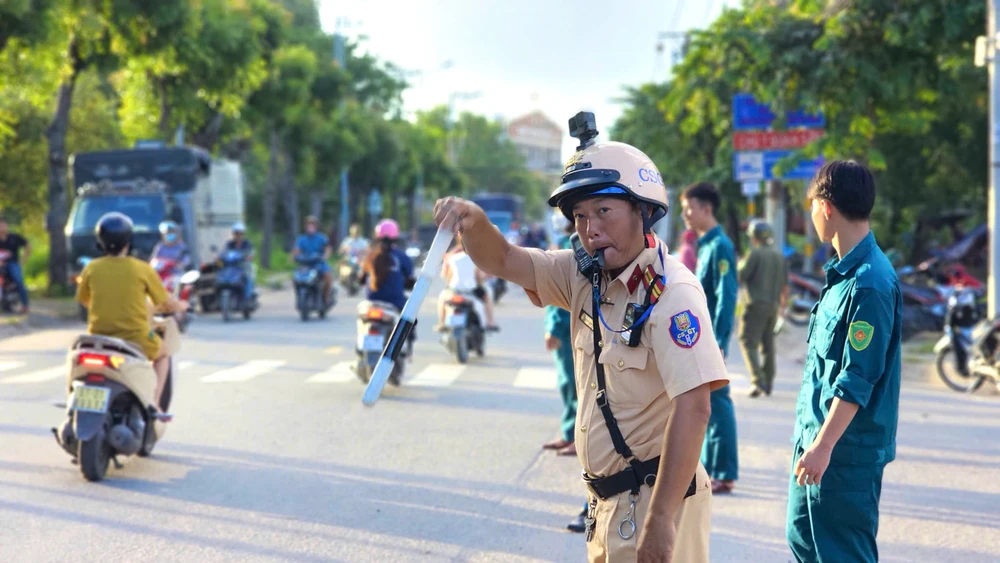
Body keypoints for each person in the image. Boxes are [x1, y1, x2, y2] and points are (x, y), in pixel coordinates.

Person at [432, 116, 727, 562]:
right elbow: (505, 259)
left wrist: (662, 521)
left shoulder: (672, 293)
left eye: (604, 212)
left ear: (642, 211)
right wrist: (472, 222)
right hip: (607, 506)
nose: (590, 229)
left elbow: (695, 405)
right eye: (581, 216)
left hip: (657, 501)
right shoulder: (582, 275)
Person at [787, 160, 902, 563]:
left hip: (842, 453)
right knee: (803, 543)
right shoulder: (842, 274)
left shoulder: (870, 281)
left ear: (826, 207)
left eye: (811, 206)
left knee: (842, 554)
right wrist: (810, 443)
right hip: (814, 443)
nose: (812, 215)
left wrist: (823, 446)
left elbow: (858, 376)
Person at [75, 212, 187, 410]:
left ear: (100, 241)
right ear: (128, 241)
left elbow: (84, 300)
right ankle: (154, 404)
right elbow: (164, 302)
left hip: (98, 338)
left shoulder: (91, 268)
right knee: (163, 355)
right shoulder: (141, 268)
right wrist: (181, 305)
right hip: (135, 338)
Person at [681, 181, 739, 495]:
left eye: (689, 209)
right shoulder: (706, 245)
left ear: (706, 209)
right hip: (702, 338)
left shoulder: (721, 247)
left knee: (717, 402)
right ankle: (714, 469)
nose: (685, 216)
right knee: (708, 402)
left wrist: (719, 340)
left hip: (711, 339)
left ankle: (725, 472)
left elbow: (726, 295)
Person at [541, 212, 589, 534]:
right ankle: (569, 432)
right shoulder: (567, 247)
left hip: (576, 332)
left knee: (575, 387)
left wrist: (557, 327)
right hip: (566, 328)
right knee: (566, 385)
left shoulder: (583, 253)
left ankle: (574, 435)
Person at [738, 220, 788, 398]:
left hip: (755, 304)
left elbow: (741, 276)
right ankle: (768, 380)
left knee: (747, 341)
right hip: (773, 305)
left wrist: (740, 262)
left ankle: (757, 380)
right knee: (768, 344)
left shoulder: (754, 254)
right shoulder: (779, 256)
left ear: (754, 237)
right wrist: (783, 307)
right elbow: (784, 285)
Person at [435, 235, 499, 332]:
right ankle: (490, 322)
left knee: (442, 297)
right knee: (488, 295)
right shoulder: (477, 255)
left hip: (454, 290)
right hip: (472, 290)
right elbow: (479, 276)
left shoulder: (452, 255)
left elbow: (445, 274)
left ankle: (442, 323)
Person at [362, 219, 414, 312]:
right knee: (411, 322)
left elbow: (362, 279)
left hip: (372, 301)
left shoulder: (370, 256)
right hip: (396, 302)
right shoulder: (402, 256)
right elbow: (409, 279)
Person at [291, 216, 333, 304]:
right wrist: (293, 257)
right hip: (306, 264)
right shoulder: (301, 239)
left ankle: (326, 296)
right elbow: (297, 250)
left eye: (312, 225)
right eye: (308, 225)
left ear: (316, 226)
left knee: (327, 275)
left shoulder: (321, 237)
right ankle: (299, 296)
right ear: (305, 226)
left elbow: (327, 249)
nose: (310, 227)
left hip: (318, 263)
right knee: (295, 277)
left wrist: (325, 256)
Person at [0, 217, 30, 314]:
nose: (1, 227)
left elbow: (28, 246)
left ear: (7, 226)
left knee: (19, 281)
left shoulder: (14, 237)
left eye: (3, 225)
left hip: (12, 263)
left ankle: (25, 306)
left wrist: (22, 261)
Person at [222, 222, 256, 303]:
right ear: (233, 234)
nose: (238, 235)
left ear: (243, 234)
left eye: (240, 233)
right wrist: (219, 257)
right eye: (236, 233)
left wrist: (249, 257)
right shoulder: (230, 244)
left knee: (248, 277)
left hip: (244, 266)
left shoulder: (247, 243)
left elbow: (252, 252)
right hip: (233, 267)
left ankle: (247, 297)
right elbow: (224, 252)